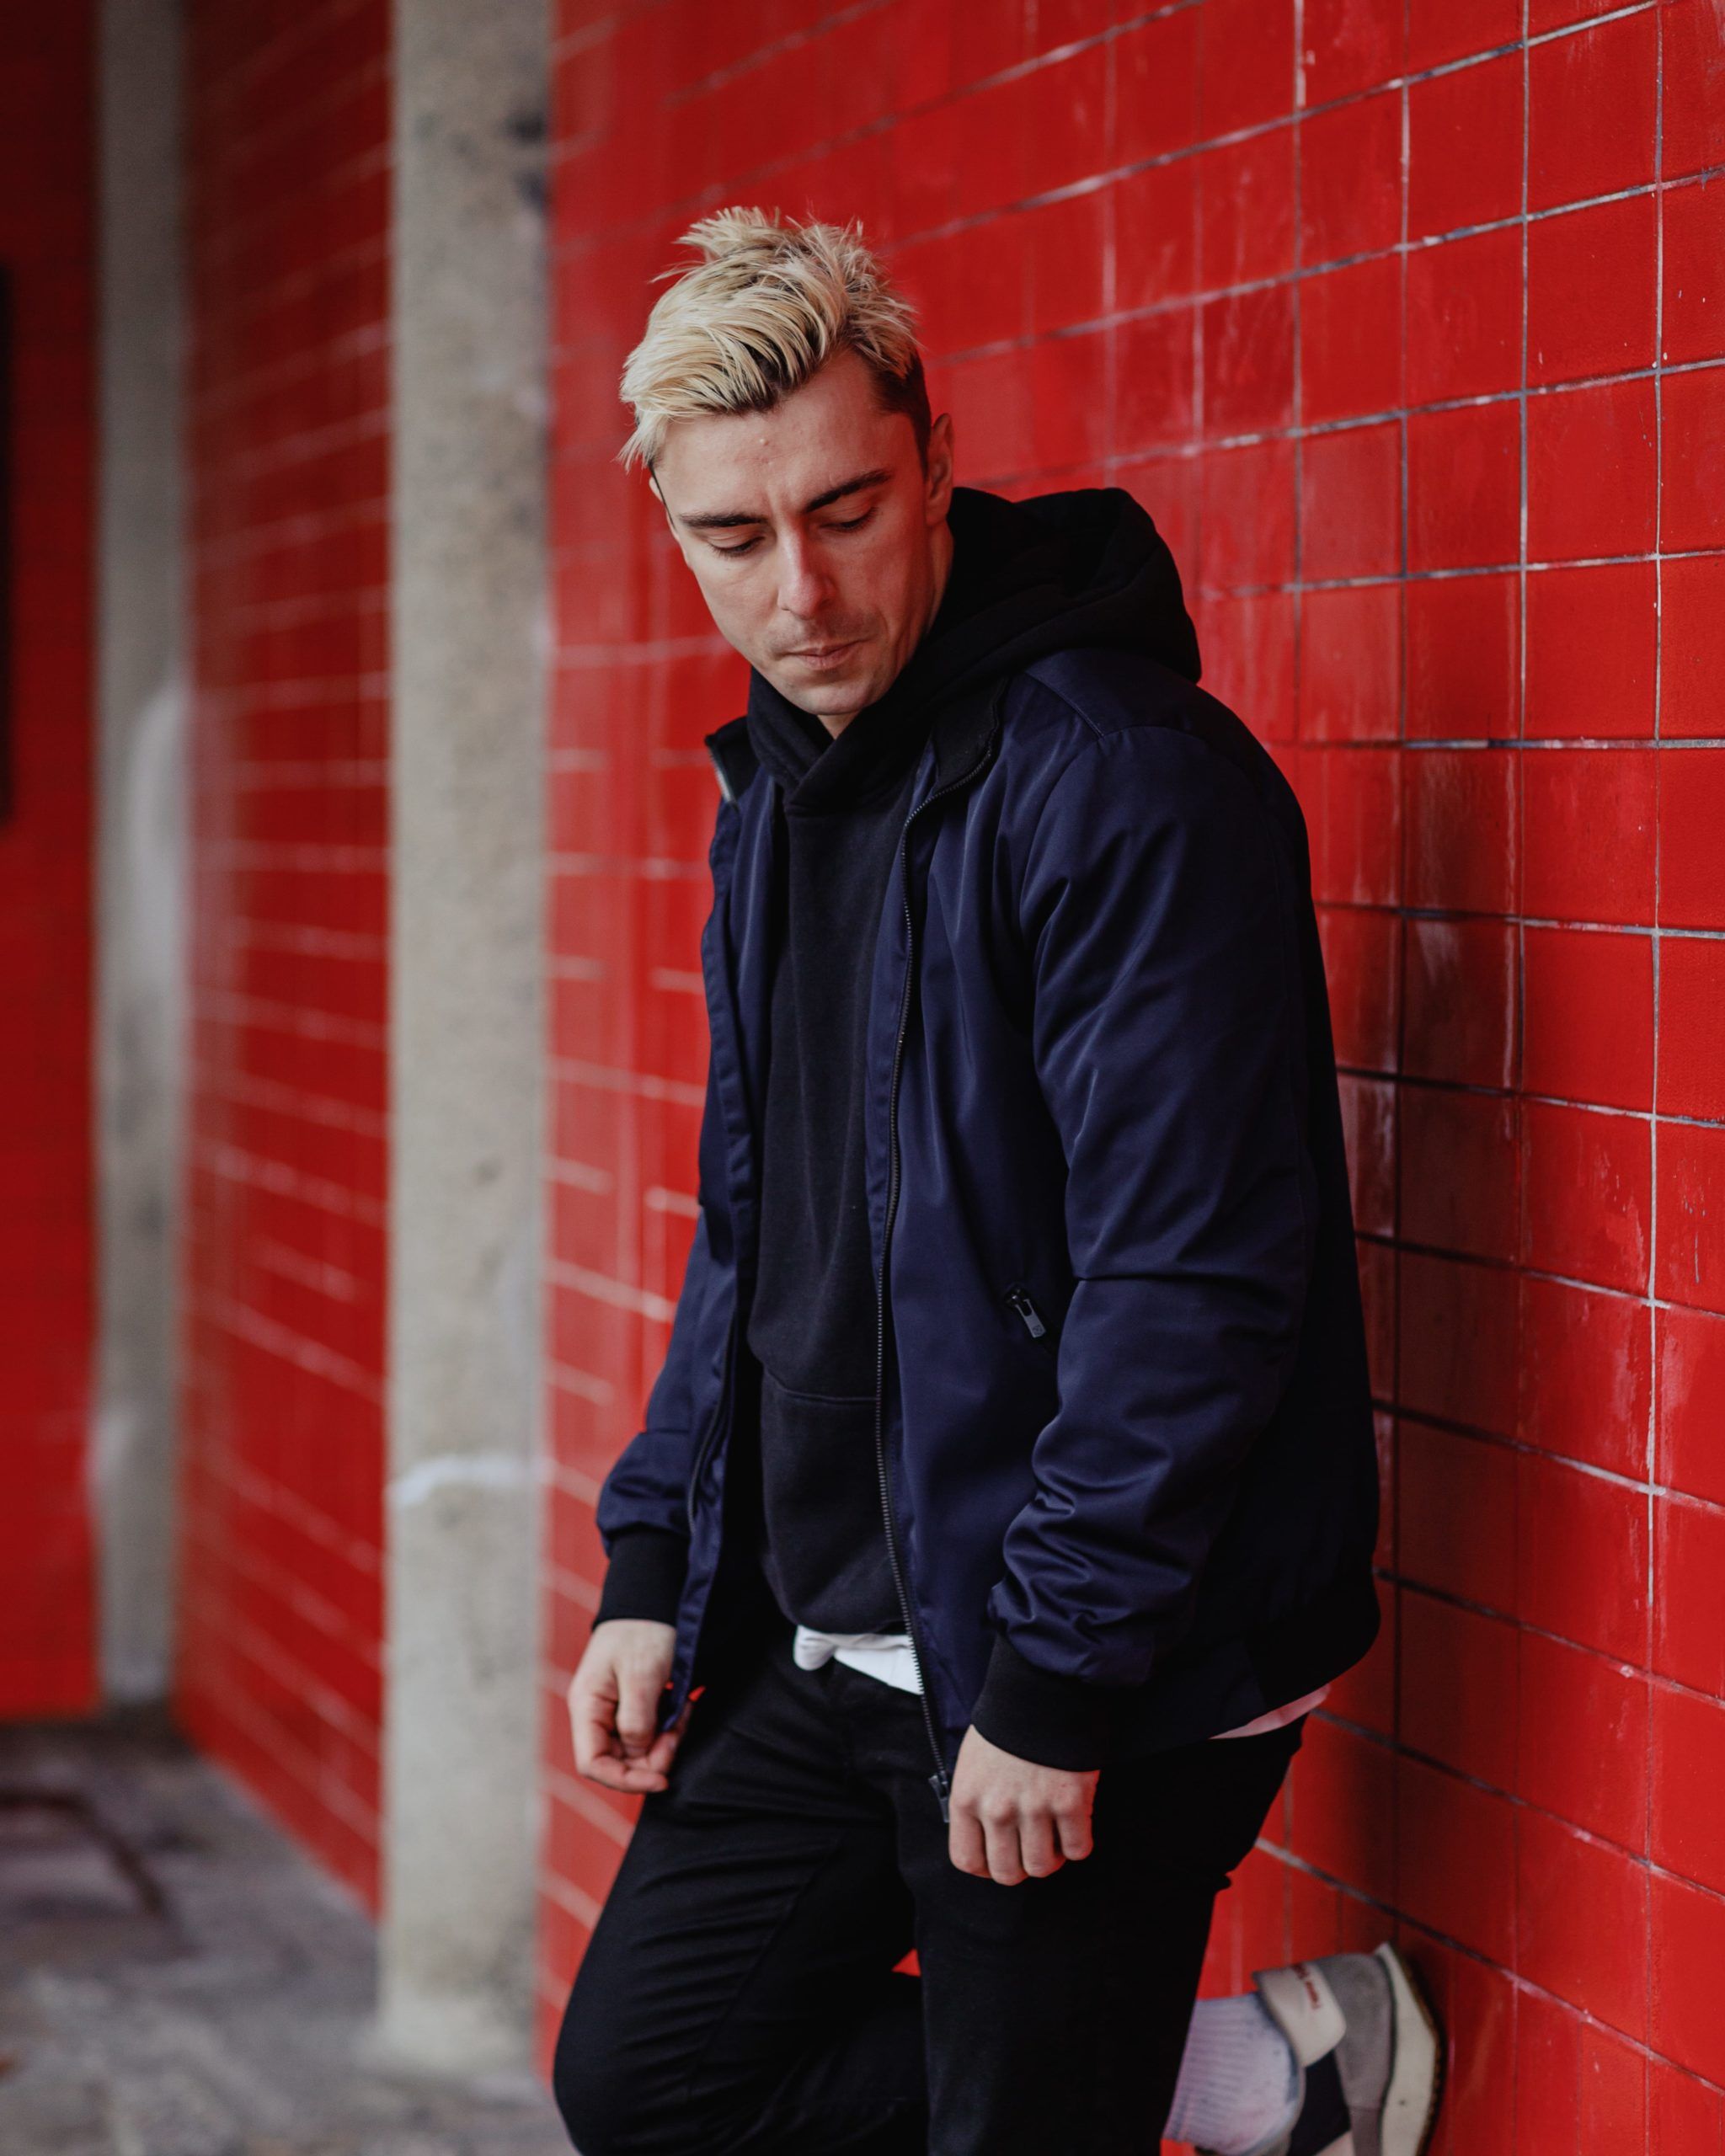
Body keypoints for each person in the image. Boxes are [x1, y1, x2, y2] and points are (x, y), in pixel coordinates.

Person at [552, 206, 1442, 2156]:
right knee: (652, 2079)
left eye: (847, 510)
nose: (801, 590)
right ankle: (1264, 2077)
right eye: (733, 537)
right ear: (672, 529)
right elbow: (752, 1233)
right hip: (837, 1629)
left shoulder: (1121, 778)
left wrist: (1053, 1674)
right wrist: (655, 1564)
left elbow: (1190, 1274)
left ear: (936, 460)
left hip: (1090, 1644)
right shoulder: (776, 795)